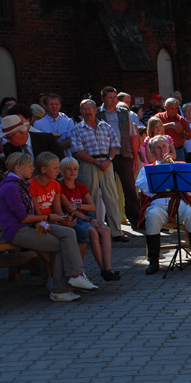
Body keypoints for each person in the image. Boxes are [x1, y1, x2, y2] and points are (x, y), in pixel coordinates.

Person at [0, 152, 99, 302]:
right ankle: (59, 289)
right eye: (29, 166)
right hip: (18, 230)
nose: (33, 168)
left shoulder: (20, 184)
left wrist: (59, 220)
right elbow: (24, 218)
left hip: (34, 225)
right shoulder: (12, 187)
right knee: (60, 244)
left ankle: (76, 275)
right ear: (18, 168)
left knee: (69, 233)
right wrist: (49, 218)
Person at [136, 136, 191, 274]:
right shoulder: (147, 170)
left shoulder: (181, 165)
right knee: (152, 216)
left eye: (164, 146)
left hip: (179, 202)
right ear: (151, 151)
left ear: (169, 148)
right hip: (158, 204)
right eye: (158, 147)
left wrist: (173, 167)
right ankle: (153, 260)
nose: (162, 150)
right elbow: (146, 190)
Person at [70, 99, 126, 242]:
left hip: (107, 163)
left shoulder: (105, 126)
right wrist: (95, 162)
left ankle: (116, 231)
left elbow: (115, 144)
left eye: (90, 109)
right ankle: (96, 230)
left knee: (112, 197)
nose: (88, 112)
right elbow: (77, 151)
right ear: (81, 112)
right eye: (85, 109)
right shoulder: (77, 129)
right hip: (88, 164)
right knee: (92, 198)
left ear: (95, 110)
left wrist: (109, 160)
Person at [59, 157, 119, 281]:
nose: (72, 172)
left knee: (106, 230)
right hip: (76, 218)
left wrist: (79, 206)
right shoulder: (60, 187)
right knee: (92, 231)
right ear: (62, 171)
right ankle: (103, 268)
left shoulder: (81, 186)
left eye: (75, 169)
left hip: (85, 216)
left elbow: (91, 205)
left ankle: (108, 267)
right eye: (68, 169)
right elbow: (70, 209)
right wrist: (87, 217)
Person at [97, 86, 141, 228]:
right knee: (109, 190)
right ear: (103, 98)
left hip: (124, 154)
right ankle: (112, 222)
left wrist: (135, 157)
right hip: (105, 156)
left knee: (130, 188)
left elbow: (132, 135)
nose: (113, 100)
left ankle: (136, 220)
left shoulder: (123, 113)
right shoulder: (97, 113)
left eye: (115, 97)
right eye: (110, 97)